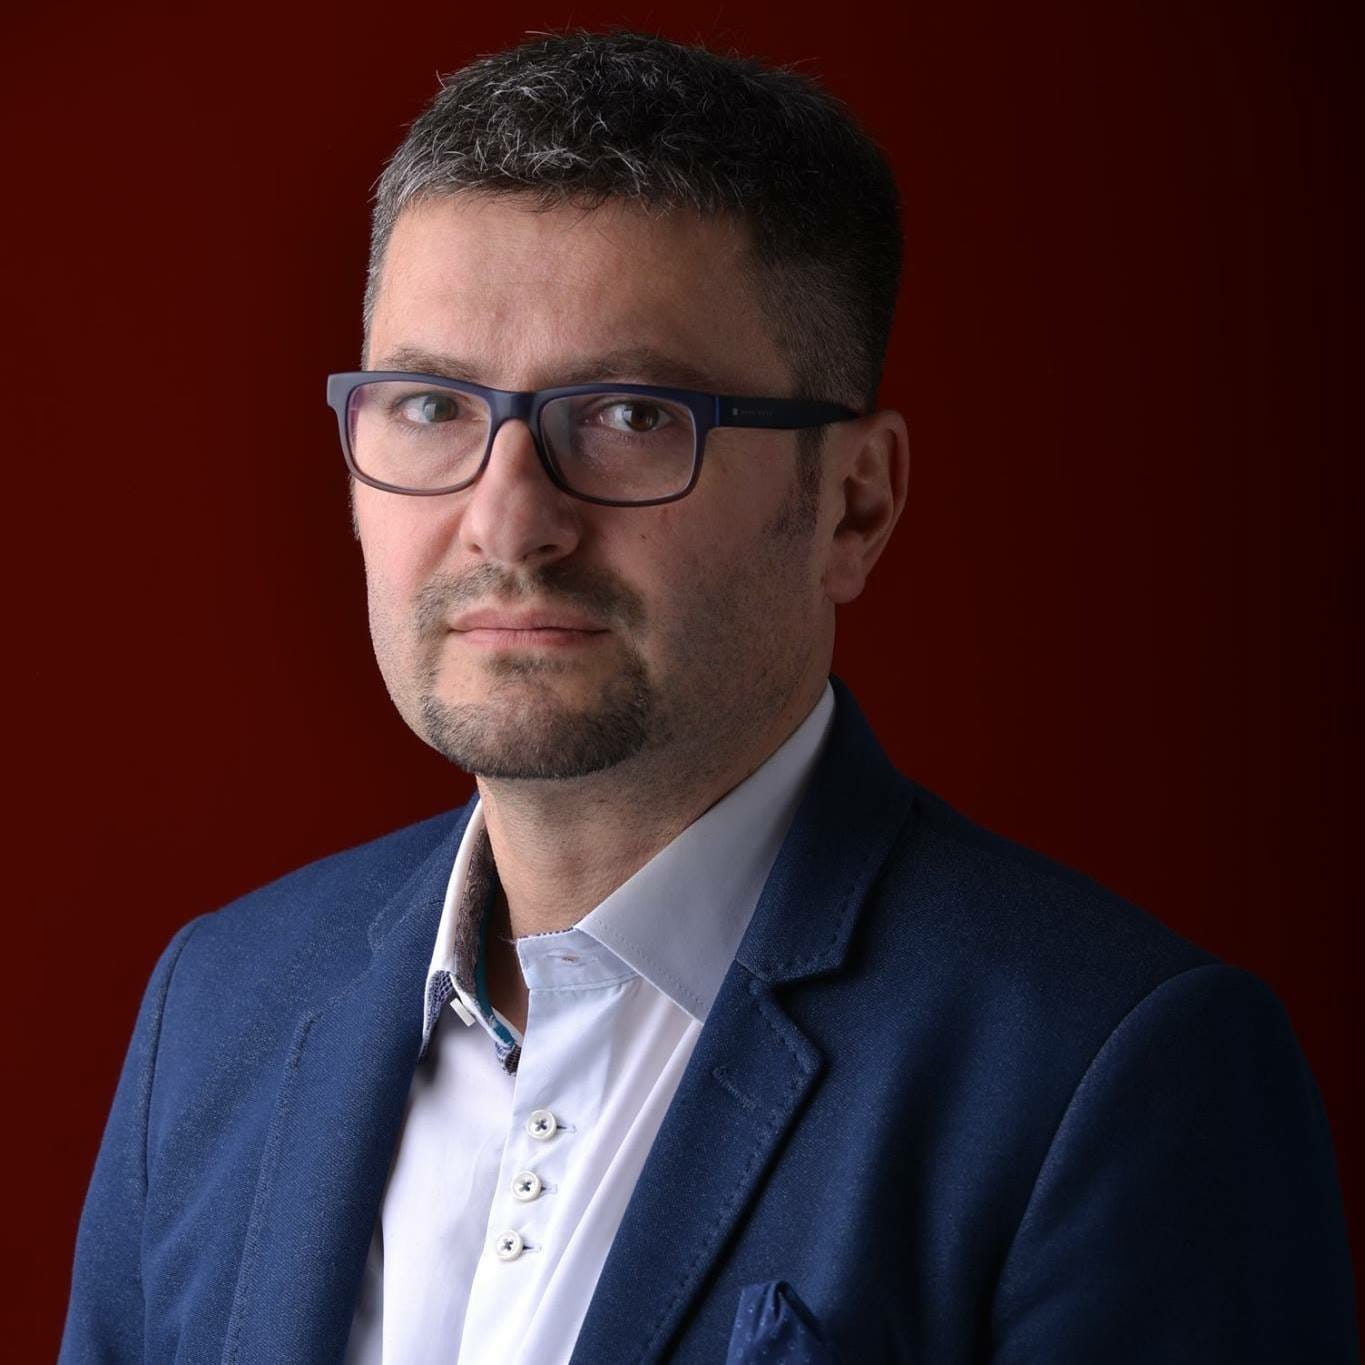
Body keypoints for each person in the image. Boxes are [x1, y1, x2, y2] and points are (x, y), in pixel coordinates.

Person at [60, 29, 1356, 1365]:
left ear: (852, 504)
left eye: (630, 415)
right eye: (433, 406)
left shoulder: (1107, 1074)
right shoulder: (219, 1006)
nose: (507, 522)